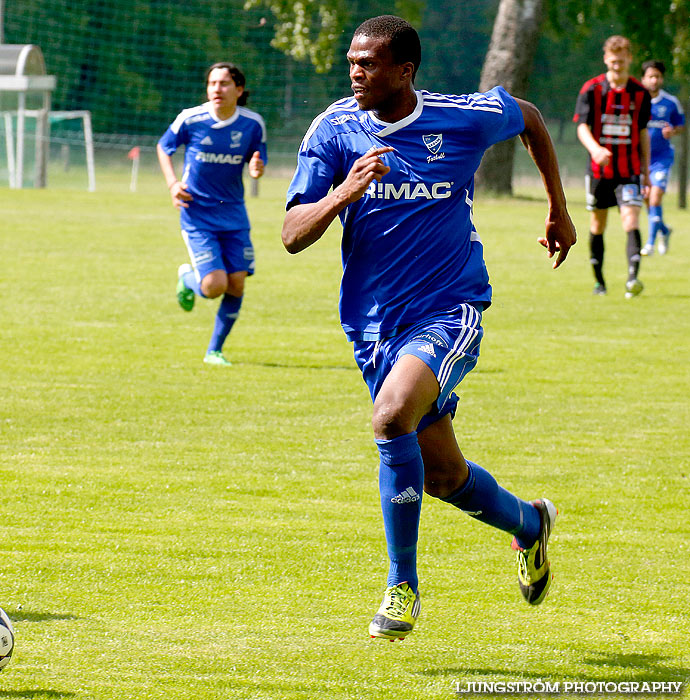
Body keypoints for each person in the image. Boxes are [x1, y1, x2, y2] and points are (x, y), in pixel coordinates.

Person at [282, 15, 576, 641]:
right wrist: (346, 192)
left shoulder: (460, 117)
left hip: (450, 307)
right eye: (352, 62)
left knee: (391, 419)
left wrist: (558, 206)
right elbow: (291, 235)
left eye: (368, 63)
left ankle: (402, 588)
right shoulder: (334, 130)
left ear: (405, 71)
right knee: (442, 475)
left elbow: (528, 116)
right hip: (372, 324)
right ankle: (530, 524)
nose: (355, 72)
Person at [157, 62, 267, 366]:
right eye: (212, 83)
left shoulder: (253, 124)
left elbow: (256, 162)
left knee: (237, 283)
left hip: (234, 214)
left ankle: (214, 351)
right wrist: (172, 184)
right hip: (198, 214)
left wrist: (257, 169)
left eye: (224, 83)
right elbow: (164, 147)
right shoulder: (190, 119)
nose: (217, 89)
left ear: (239, 89)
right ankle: (188, 279)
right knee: (214, 286)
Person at [573, 35, 651, 298]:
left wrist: (646, 172)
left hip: (629, 171)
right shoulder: (591, 90)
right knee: (598, 224)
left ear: (630, 60)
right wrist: (595, 150)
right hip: (599, 172)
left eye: (622, 60)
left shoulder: (640, 94)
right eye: (613, 60)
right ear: (606, 59)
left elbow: (642, 133)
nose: (617, 64)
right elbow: (582, 126)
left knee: (630, 218)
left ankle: (632, 279)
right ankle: (600, 282)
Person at [640, 60, 685, 256]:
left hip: (662, 159)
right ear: (644, 79)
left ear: (662, 79)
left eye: (657, 76)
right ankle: (664, 231)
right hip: (641, 159)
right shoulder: (637, 100)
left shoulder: (670, 102)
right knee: (648, 202)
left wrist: (673, 131)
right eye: (650, 76)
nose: (654, 80)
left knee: (655, 198)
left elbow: (681, 125)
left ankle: (650, 243)